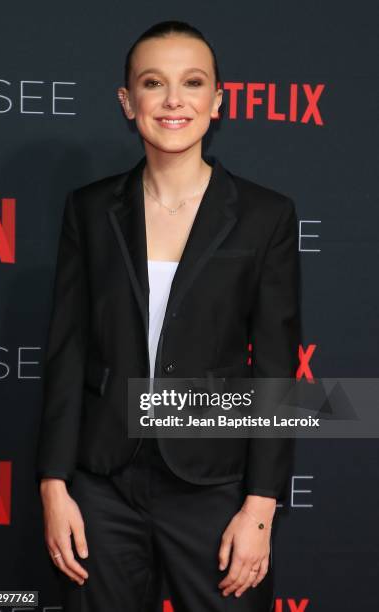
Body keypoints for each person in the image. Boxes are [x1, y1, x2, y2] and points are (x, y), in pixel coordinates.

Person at [36, 19, 301, 611]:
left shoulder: (265, 216)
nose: (174, 100)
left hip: (214, 485)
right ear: (128, 102)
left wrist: (260, 508)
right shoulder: (90, 210)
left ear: (217, 100)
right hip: (101, 484)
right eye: (154, 83)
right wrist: (55, 487)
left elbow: (278, 371)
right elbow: (66, 351)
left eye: (193, 82)